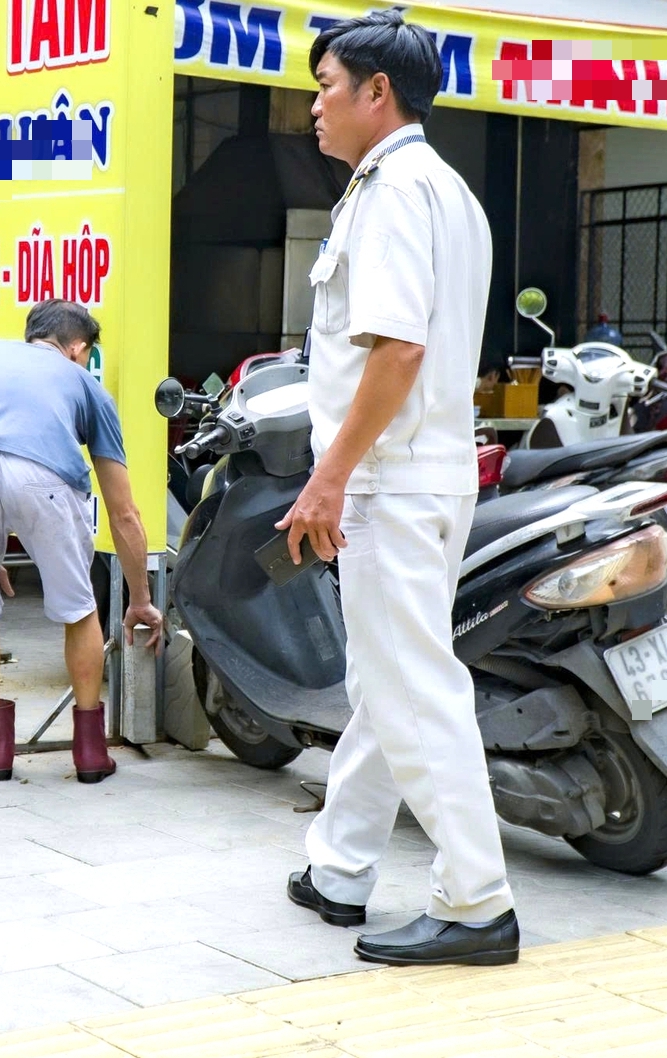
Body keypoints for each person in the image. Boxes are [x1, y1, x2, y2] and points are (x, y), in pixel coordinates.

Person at [277, 10, 516, 966]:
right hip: (422, 472)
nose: (312, 107)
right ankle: (340, 868)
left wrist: (329, 477)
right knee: (387, 679)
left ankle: (475, 902)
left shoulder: (392, 191)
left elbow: (398, 350)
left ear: (378, 93)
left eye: (326, 87)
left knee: (410, 686)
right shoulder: (438, 186)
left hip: (387, 478)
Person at [0, 299, 162, 785]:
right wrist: (140, 599)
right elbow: (123, 511)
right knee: (79, 611)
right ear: (77, 349)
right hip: (45, 479)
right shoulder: (86, 385)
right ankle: (90, 753)